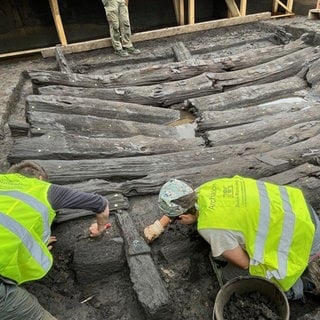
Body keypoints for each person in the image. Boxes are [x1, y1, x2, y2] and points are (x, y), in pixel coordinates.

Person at [144, 175, 320, 301]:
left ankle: (299, 287)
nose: (175, 222)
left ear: (182, 217)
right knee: (226, 249)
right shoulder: (206, 189)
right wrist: (158, 225)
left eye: (175, 220)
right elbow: (179, 205)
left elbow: (245, 264)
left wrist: (227, 250)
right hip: (300, 209)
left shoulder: (211, 228)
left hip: (304, 240)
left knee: (230, 276)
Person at [0, 160, 110, 319]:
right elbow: (102, 204)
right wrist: (100, 229)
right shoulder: (43, 189)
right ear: (40, 178)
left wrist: (33, 241)